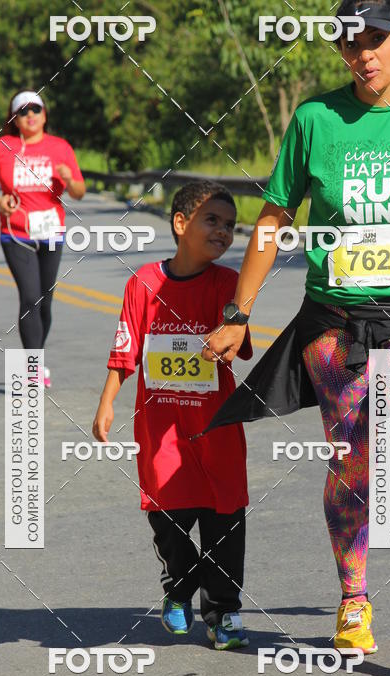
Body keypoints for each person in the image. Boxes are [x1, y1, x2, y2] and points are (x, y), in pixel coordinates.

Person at [201, 0, 390, 676]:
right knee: (354, 465)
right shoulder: (317, 120)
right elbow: (275, 215)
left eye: (374, 40)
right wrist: (238, 311)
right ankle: (354, 599)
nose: (362, 54)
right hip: (336, 325)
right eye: (349, 43)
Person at [92, 181, 253, 650]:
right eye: (212, 220)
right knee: (169, 514)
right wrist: (107, 401)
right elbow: (125, 349)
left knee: (225, 517)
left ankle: (224, 612)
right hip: (161, 427)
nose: (223, 231)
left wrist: (230, 333)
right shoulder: (142, 283)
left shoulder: (229, 285)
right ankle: (178, 593)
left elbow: (241, 343)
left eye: (230, 224)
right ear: (181, 223)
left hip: (216, 425)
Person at [0, 90, 85, 387]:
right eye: (23, 111)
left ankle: (35, 358)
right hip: (16, 233)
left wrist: (68, 177)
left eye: (36, 109)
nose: (30, 115)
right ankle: (33, 368)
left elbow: (79, 191)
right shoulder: (3, 147)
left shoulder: (60, 147)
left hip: (51, 231)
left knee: (45, 301)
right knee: (30, 297)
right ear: (14, 118)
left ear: (45, 114)